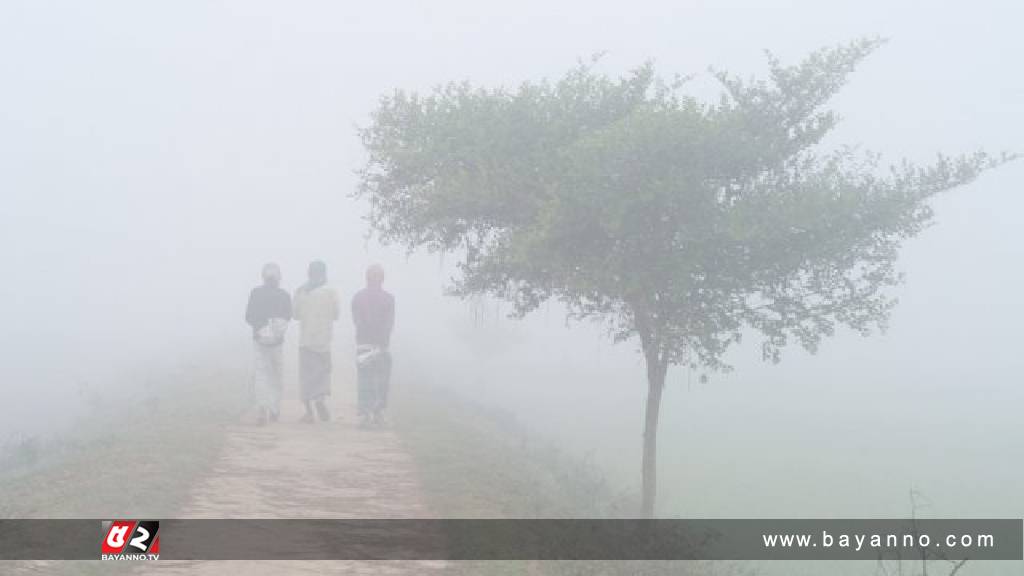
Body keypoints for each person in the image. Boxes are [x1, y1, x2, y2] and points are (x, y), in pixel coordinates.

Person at [292, 260, 340, 423]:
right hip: (324, 340)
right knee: (323, 374)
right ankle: (320, 399)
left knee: (306, 377)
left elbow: (295, 315)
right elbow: (336, 314)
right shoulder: (331, 292)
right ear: (324, 273)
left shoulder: (301, 292)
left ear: (309, 273)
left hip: (306, 340)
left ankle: (309, 412)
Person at [244, 263, 291, 426]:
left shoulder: (256, 293)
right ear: (279, 278)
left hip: (260, 341)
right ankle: (275, 408)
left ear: (263, 277)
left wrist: (261, 327)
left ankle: (262, 408)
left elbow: (248, 316)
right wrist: (276, 328)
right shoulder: (284, 295)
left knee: (261, 375)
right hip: (277, 343)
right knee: (276, 375)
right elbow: (288, 316)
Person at [351, 264, 395, 426]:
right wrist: (383, 342)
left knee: (365, 380)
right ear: (382, 279)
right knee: (382, 380)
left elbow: (356, 320)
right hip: (381, 345)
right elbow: (389, 324)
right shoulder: (389, 299)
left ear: (366, 278)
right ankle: (378, 412)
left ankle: (365, 414)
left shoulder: (358, 297)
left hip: (363, 344)